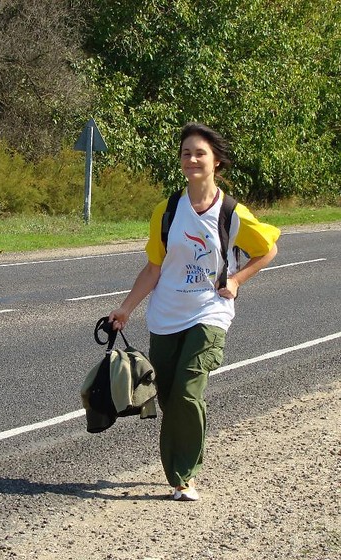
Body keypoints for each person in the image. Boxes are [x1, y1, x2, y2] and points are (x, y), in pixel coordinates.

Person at [108, 122, 280, 501]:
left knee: (188, 391)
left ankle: (182, 477)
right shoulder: (167, 211)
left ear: (215, 161)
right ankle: (183, 463)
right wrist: (125, 309)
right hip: (166, 315)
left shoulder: (232, 212)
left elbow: (267, 249)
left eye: (200, 153)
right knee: (170, 398)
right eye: (186, 153)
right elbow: (154, 267)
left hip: (210, 312)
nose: (192, 159)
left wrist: (236, 280)